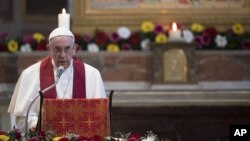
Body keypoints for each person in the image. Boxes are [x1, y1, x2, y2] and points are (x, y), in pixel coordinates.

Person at [7, 27, 106, 131]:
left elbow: (99, 116)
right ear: (49, 49)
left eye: (67, 49)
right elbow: (23, 118)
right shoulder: (30, 74)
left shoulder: (92, 74)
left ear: (74, 49)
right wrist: (47, 126)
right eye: (57, 49)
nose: (63, 55)